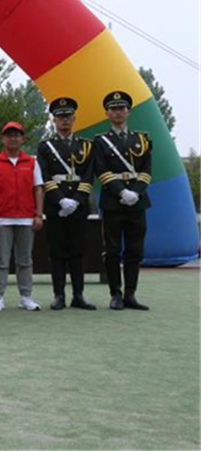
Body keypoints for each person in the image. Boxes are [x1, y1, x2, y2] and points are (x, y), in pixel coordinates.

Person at [93, 91, 152, 311]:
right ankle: (115, 294)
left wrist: (135, 192)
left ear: (128, 111)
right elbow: (101, 170)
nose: (118, 112)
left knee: (135, 251)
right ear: (107, 114)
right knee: (112, 250)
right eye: (113, 109)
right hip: (113, 202)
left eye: (121, 108)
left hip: (138, 201)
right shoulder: (100, 141)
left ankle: (130, 294)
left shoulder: (142, 139)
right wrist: (121, 192)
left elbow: (146, 170)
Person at [38, 97, 97, 311]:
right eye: (60, 116)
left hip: (78, 205)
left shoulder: (87, 146)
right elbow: (44, 176)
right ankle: (59, 295)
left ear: (74, 118)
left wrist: (76, 200)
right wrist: (61, 200)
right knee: (57, 251)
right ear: (53, 120)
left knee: (78, 251)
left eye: (68, 116)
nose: (64, 120)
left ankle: (78, 295)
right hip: (56, 205)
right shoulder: (45, 146)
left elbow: (89, 176)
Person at [0, 121, 44, 312]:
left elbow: (38, 189)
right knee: (1, 260)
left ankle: (26, 297)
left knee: (25, 260)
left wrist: (38, 214)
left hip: (26, 218)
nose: (13, 139)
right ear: (3, 139)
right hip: (2, 218)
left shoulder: (31, 162)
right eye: (9, 135)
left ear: (22, 139)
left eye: (16, 135)